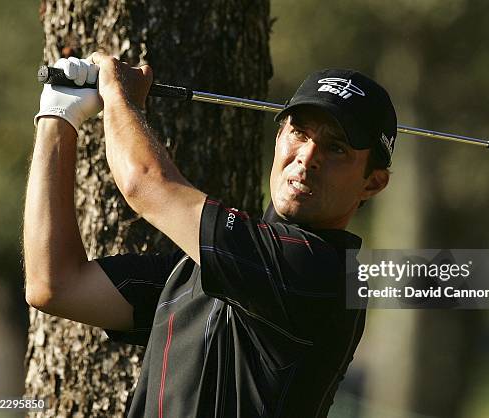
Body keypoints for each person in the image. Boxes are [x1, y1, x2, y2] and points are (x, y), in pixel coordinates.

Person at [24, 53, 396, 417]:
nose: (308, 156)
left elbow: (145, 183)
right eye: (299, 132)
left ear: (373, 182)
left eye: (336, 148)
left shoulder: (319, 275)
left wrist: (119, 94)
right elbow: (55, 285)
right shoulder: (201, 273)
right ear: (280, 133)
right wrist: (57, 116)